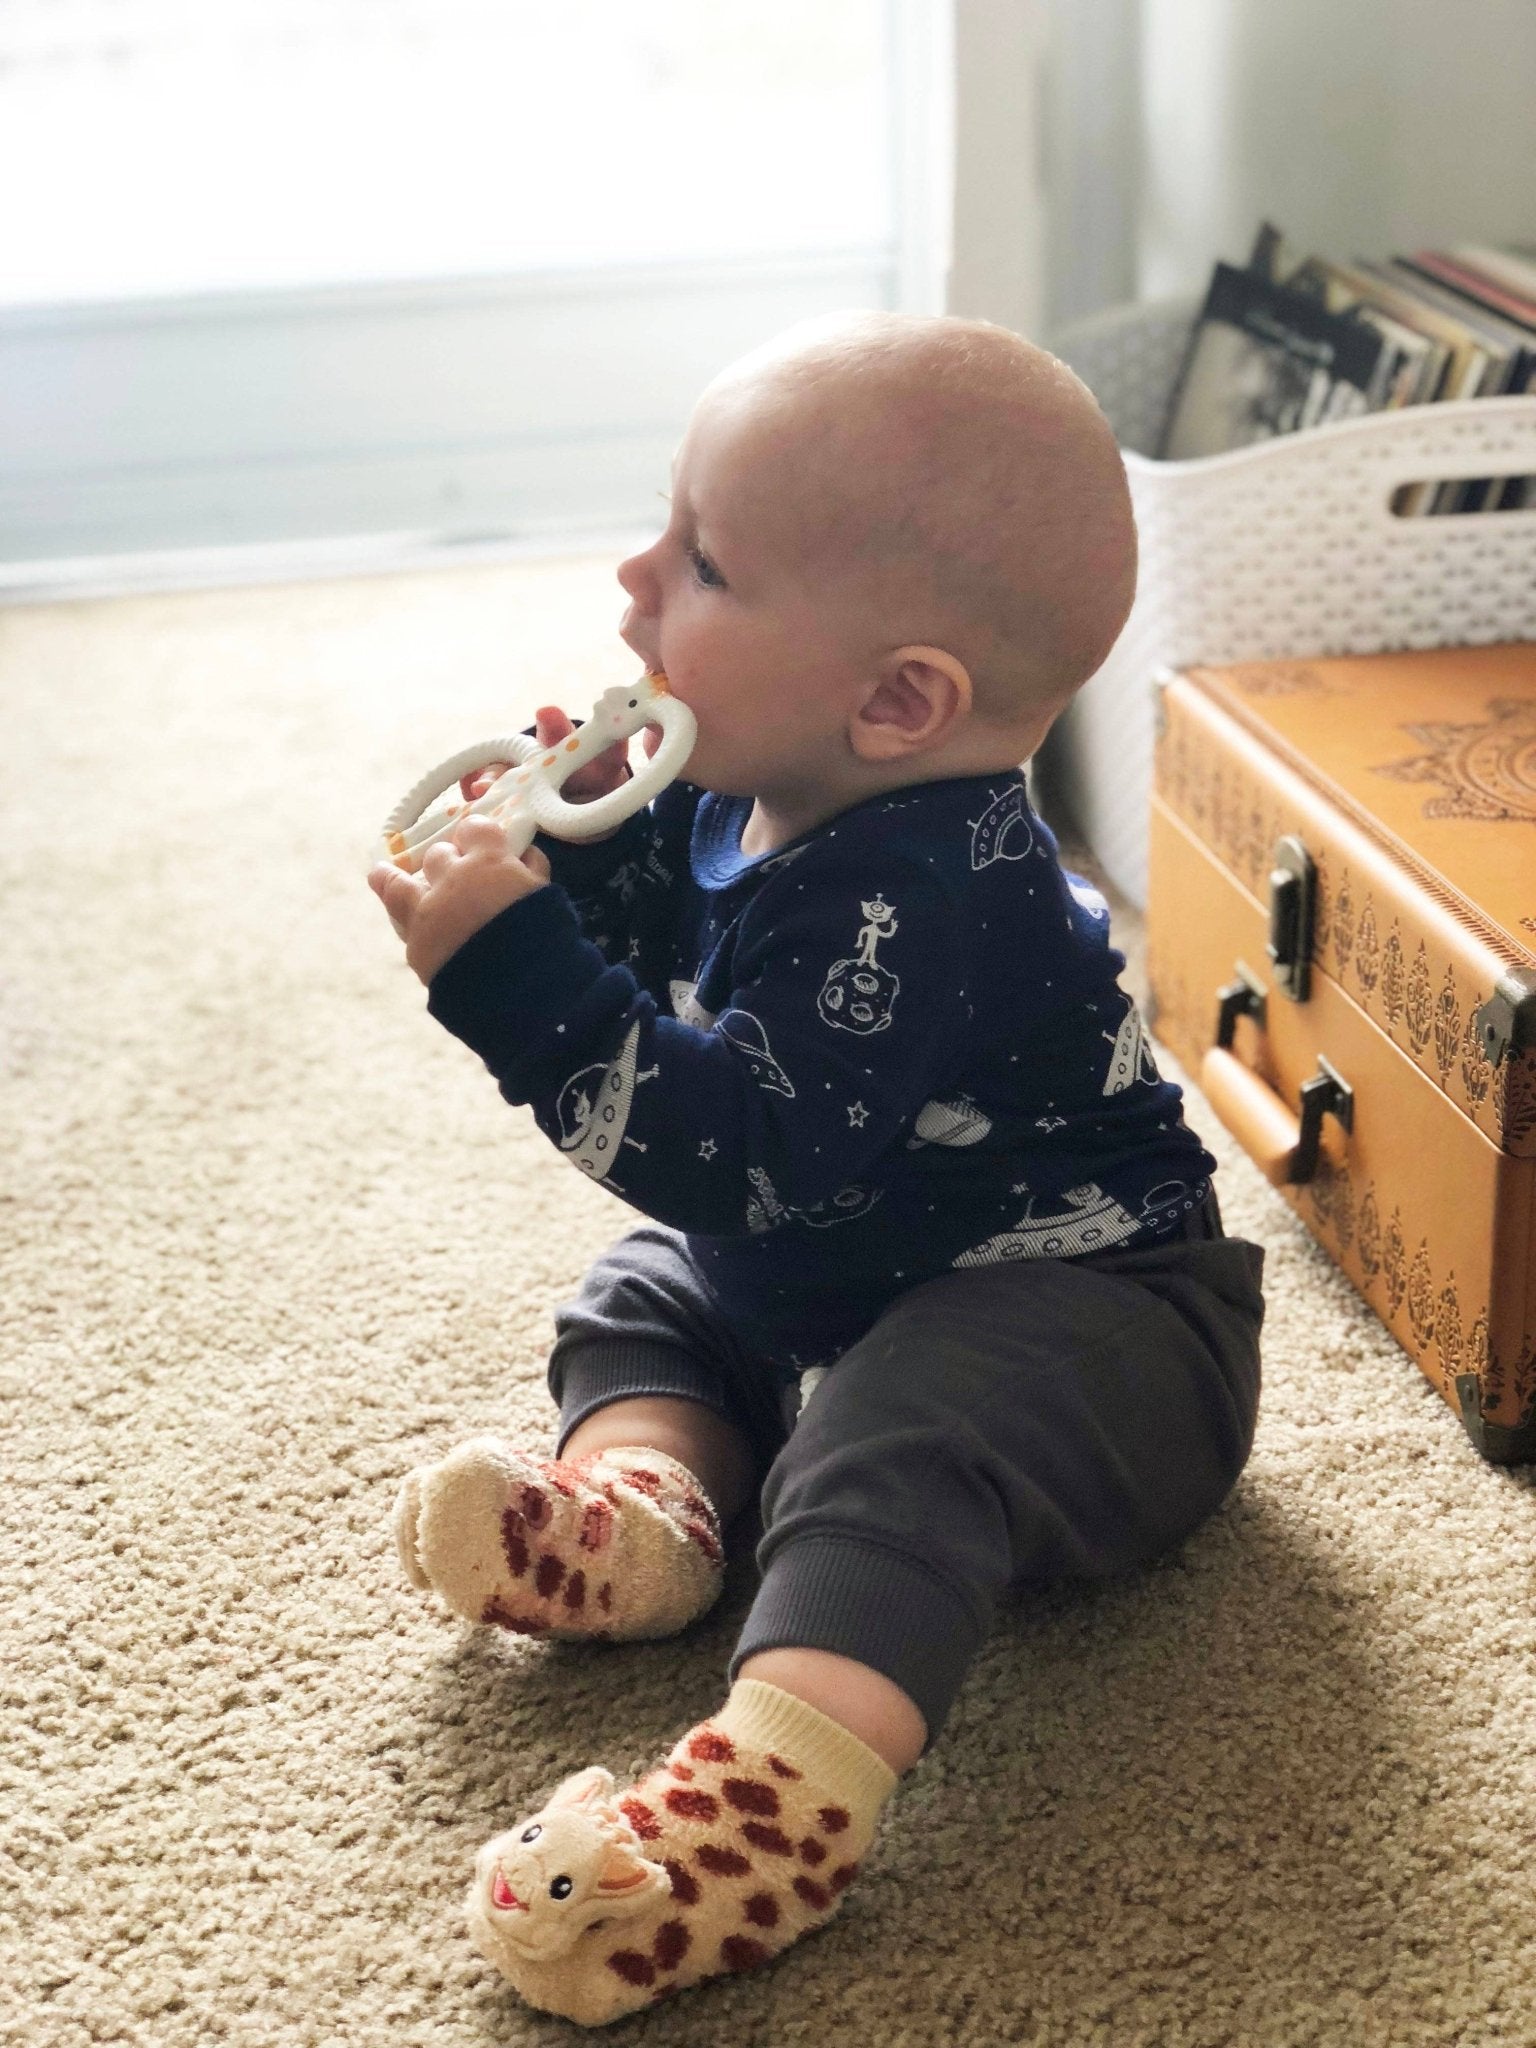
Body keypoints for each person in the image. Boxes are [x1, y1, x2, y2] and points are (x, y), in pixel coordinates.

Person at [368, 310, 1266, 2025]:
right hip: (854, 1262)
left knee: (900, 1427)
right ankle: (653, 1517)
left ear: (899, 700)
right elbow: (683, 979)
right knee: (644, 1298)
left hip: (1100, 1325)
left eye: (701, 561)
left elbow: (739, 1148)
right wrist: (565, 864)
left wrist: (507, 979)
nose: (637, 577)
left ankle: (772, 1807)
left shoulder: (922, 893)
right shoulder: (768, 788)